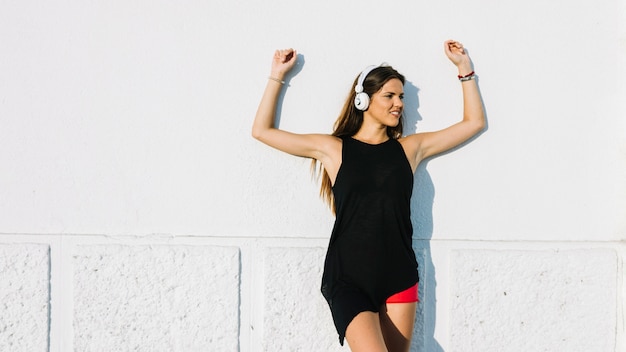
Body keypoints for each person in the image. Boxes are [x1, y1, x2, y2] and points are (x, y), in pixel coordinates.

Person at [252, 40, 485, 352]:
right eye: (389, 95)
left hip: (399, 273)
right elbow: (262, 131)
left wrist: (464, 70)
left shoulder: (409, 149)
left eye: (401, 96)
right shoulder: (334, 149)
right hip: (349, 277)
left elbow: (474, 123)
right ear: (363, 100)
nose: (398, 103)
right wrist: (277, 76)